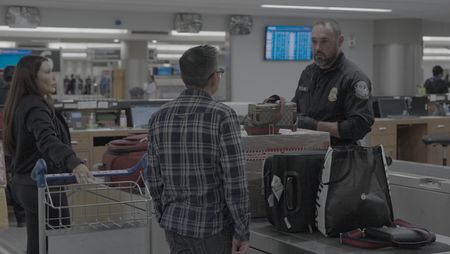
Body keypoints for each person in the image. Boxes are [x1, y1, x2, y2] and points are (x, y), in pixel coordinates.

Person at [147, 45, 250, 254]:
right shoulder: (223, 116)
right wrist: (242, 231)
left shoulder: (159, 117)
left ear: (184, 78)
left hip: (175, 226)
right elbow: (235, 180)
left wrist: (164, 214)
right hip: (213, 229)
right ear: (214, 77)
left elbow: (154, 177)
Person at [2, 55, 93, 254]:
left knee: (37, 241)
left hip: (26, 184)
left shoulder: (22, 103)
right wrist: (73, 162)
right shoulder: (35, 107)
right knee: (53, 241)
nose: (54, 78)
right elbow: (48, 140)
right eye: (47, 72)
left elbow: (33, 147)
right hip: (40, 188)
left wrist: (68, 161)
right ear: (31, 78)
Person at [292, 19, 374, 146]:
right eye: (314, 42)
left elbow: (359, 126)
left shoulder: (353, 78)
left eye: (324, 41)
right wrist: (277, 107)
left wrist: (316, 126)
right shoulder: (308, 73)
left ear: (340, 41)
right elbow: (295, 108)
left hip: (340, 157)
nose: (318, 48)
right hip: (306, 152)